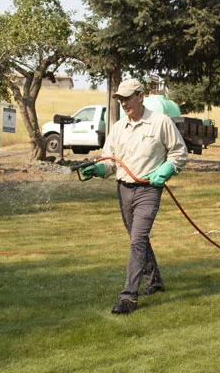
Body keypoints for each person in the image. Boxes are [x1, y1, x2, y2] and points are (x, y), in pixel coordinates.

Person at [79, 78, 189, 314]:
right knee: (137, 238)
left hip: (149, 189)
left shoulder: (160, 122)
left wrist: (167, 169)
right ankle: (155, 280)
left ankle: (129, 297)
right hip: (124, 189)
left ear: (141, 96)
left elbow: (179, 152)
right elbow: (110, 162)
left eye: (128, 98)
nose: (124, 103)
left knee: (137, 239)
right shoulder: (118, 128)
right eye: (121, 99)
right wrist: (98, 169)